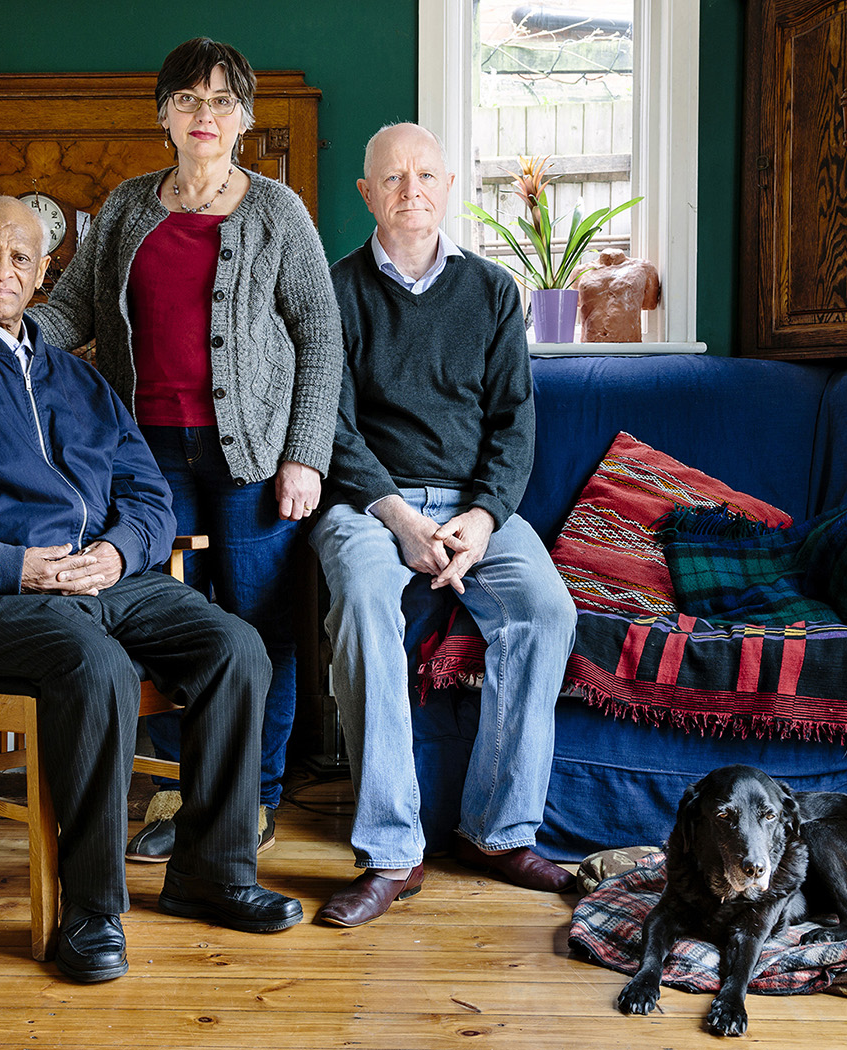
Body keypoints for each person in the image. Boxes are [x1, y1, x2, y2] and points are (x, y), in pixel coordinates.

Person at [0, 195, 302, 985]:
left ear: (43, 275)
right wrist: (14, 563)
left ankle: (212, 871)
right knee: (95, 666)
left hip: (111, 582)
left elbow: (146, 494)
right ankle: (91, 910)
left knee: (235, 645)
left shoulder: (82, 378)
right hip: (1, 603)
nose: (3, 270)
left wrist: (114, 550)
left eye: (21, 259)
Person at [31, 37, 342, 863]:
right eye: (188, 99)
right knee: (166, 626)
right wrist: (3, 339)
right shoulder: (127, 208)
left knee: (259, 626)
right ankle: (179, 792)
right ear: (163, 111)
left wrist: (306, 453)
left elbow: (320, 334)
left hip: (256, 460)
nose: (205, 115)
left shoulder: (279, 212)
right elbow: (69, 316)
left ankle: (254, 799)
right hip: (147, 459)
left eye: (222, 101)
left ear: (244, 119)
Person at [309, 123, 579, 928]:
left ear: (449, 185)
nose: (411, 190)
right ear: (367, 194)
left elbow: (514, 425)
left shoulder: (495, 292)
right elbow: (330, 423)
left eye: (426, 174)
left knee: (546, 610)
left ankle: (497, 834)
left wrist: (483, 518)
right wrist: (395, 517)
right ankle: (393, 852)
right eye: (393, 178)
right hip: (368, 504)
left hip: (473, 506)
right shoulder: (336, 289)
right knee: (361, 603)